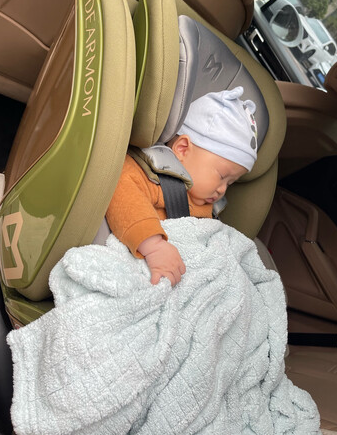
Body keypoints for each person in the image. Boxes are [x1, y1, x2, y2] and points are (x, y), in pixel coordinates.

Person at [106, 86, 258, 286]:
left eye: (230, 183)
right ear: (183, 149)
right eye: (222, 176)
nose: (223, 189)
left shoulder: (208, 207)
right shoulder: (151, 176)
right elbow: (122, 194)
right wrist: (154, 246)